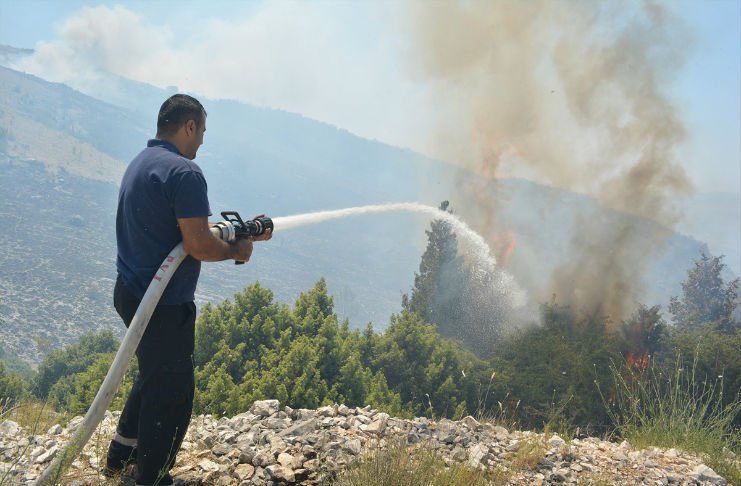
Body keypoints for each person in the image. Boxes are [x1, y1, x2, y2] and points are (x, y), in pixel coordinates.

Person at [104, 94, 271, 486]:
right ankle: (152, 477)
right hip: (162, 306)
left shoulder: (142, 162)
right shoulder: (185, 174)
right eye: (202, 132)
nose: (202, 143)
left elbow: (179, 232)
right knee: (172, 391)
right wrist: (237, 250)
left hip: (130, 292)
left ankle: (120, 456)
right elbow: (197, 245)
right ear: (189, 126)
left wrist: (234, 232)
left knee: (152, 372)